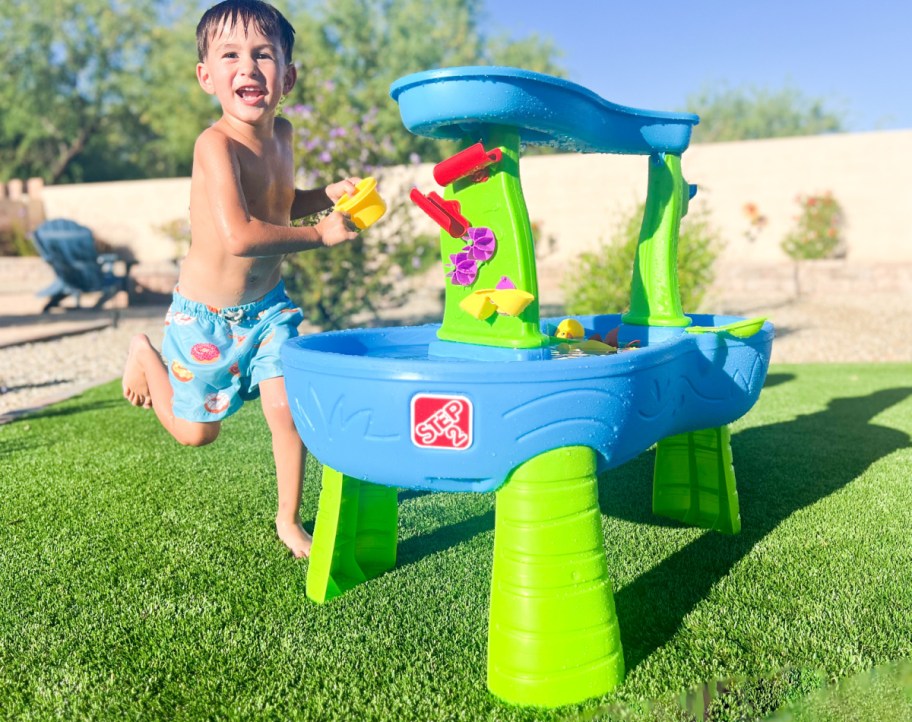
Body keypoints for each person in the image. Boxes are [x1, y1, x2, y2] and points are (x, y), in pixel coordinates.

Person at [122, 0, 363, 559]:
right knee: (195, 434)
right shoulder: (215, 145)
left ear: (289, 76)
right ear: (207, 76)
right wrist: (319, 235)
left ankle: (287, 519)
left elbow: (277, 202)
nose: (248, 67)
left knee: (286, 410)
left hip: (268, 309)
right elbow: (241, 234)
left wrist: (321, 197)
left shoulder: (284, 134)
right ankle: (142, 352)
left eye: (264, 54)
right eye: (230, 55)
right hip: (204, 317)